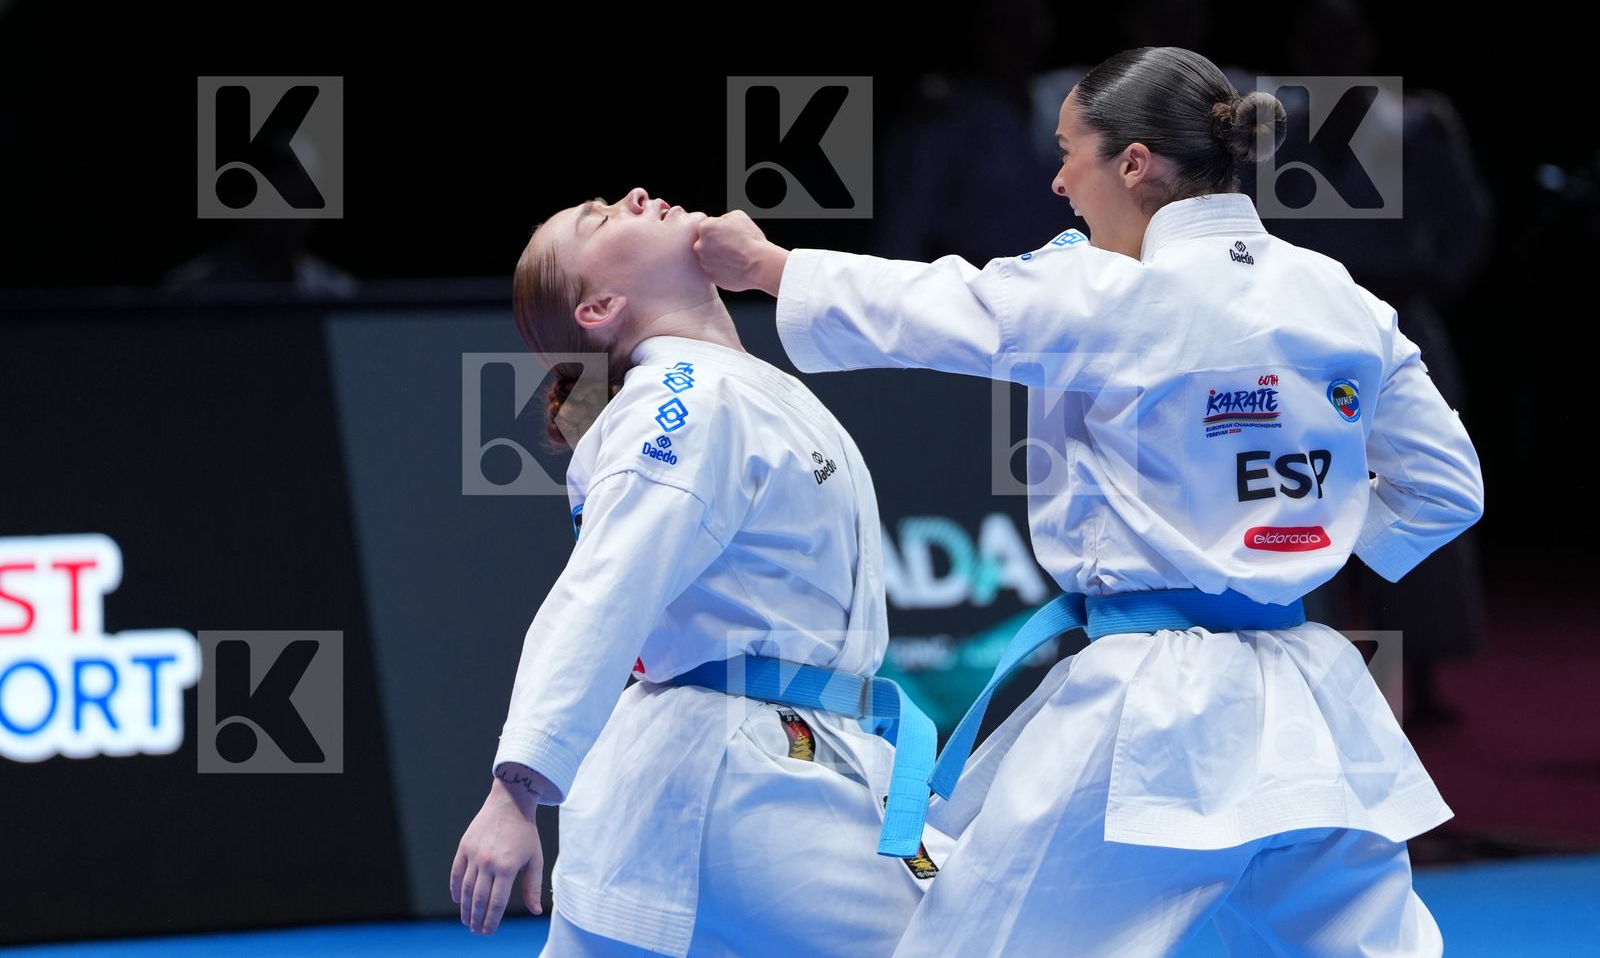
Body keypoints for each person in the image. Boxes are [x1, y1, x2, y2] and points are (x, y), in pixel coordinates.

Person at [692, 47, 1484, 956]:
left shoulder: (1106, 288)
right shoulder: (1338, 292)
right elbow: (1447, 489)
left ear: (1134, 163)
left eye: (1072, 152)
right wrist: (1283, 544)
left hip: (1152, 709)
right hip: (1310, 697)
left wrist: (766, 263)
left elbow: (932, 303)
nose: (1061, 180)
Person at [449, 187, 944, 958]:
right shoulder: (682, 402)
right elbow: (603, 591)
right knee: (975, 934)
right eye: (601, 217)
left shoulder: (716, 389)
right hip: (734, 776)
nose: (634, 196)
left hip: (710, 769)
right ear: (600, 306)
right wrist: (515, 788)